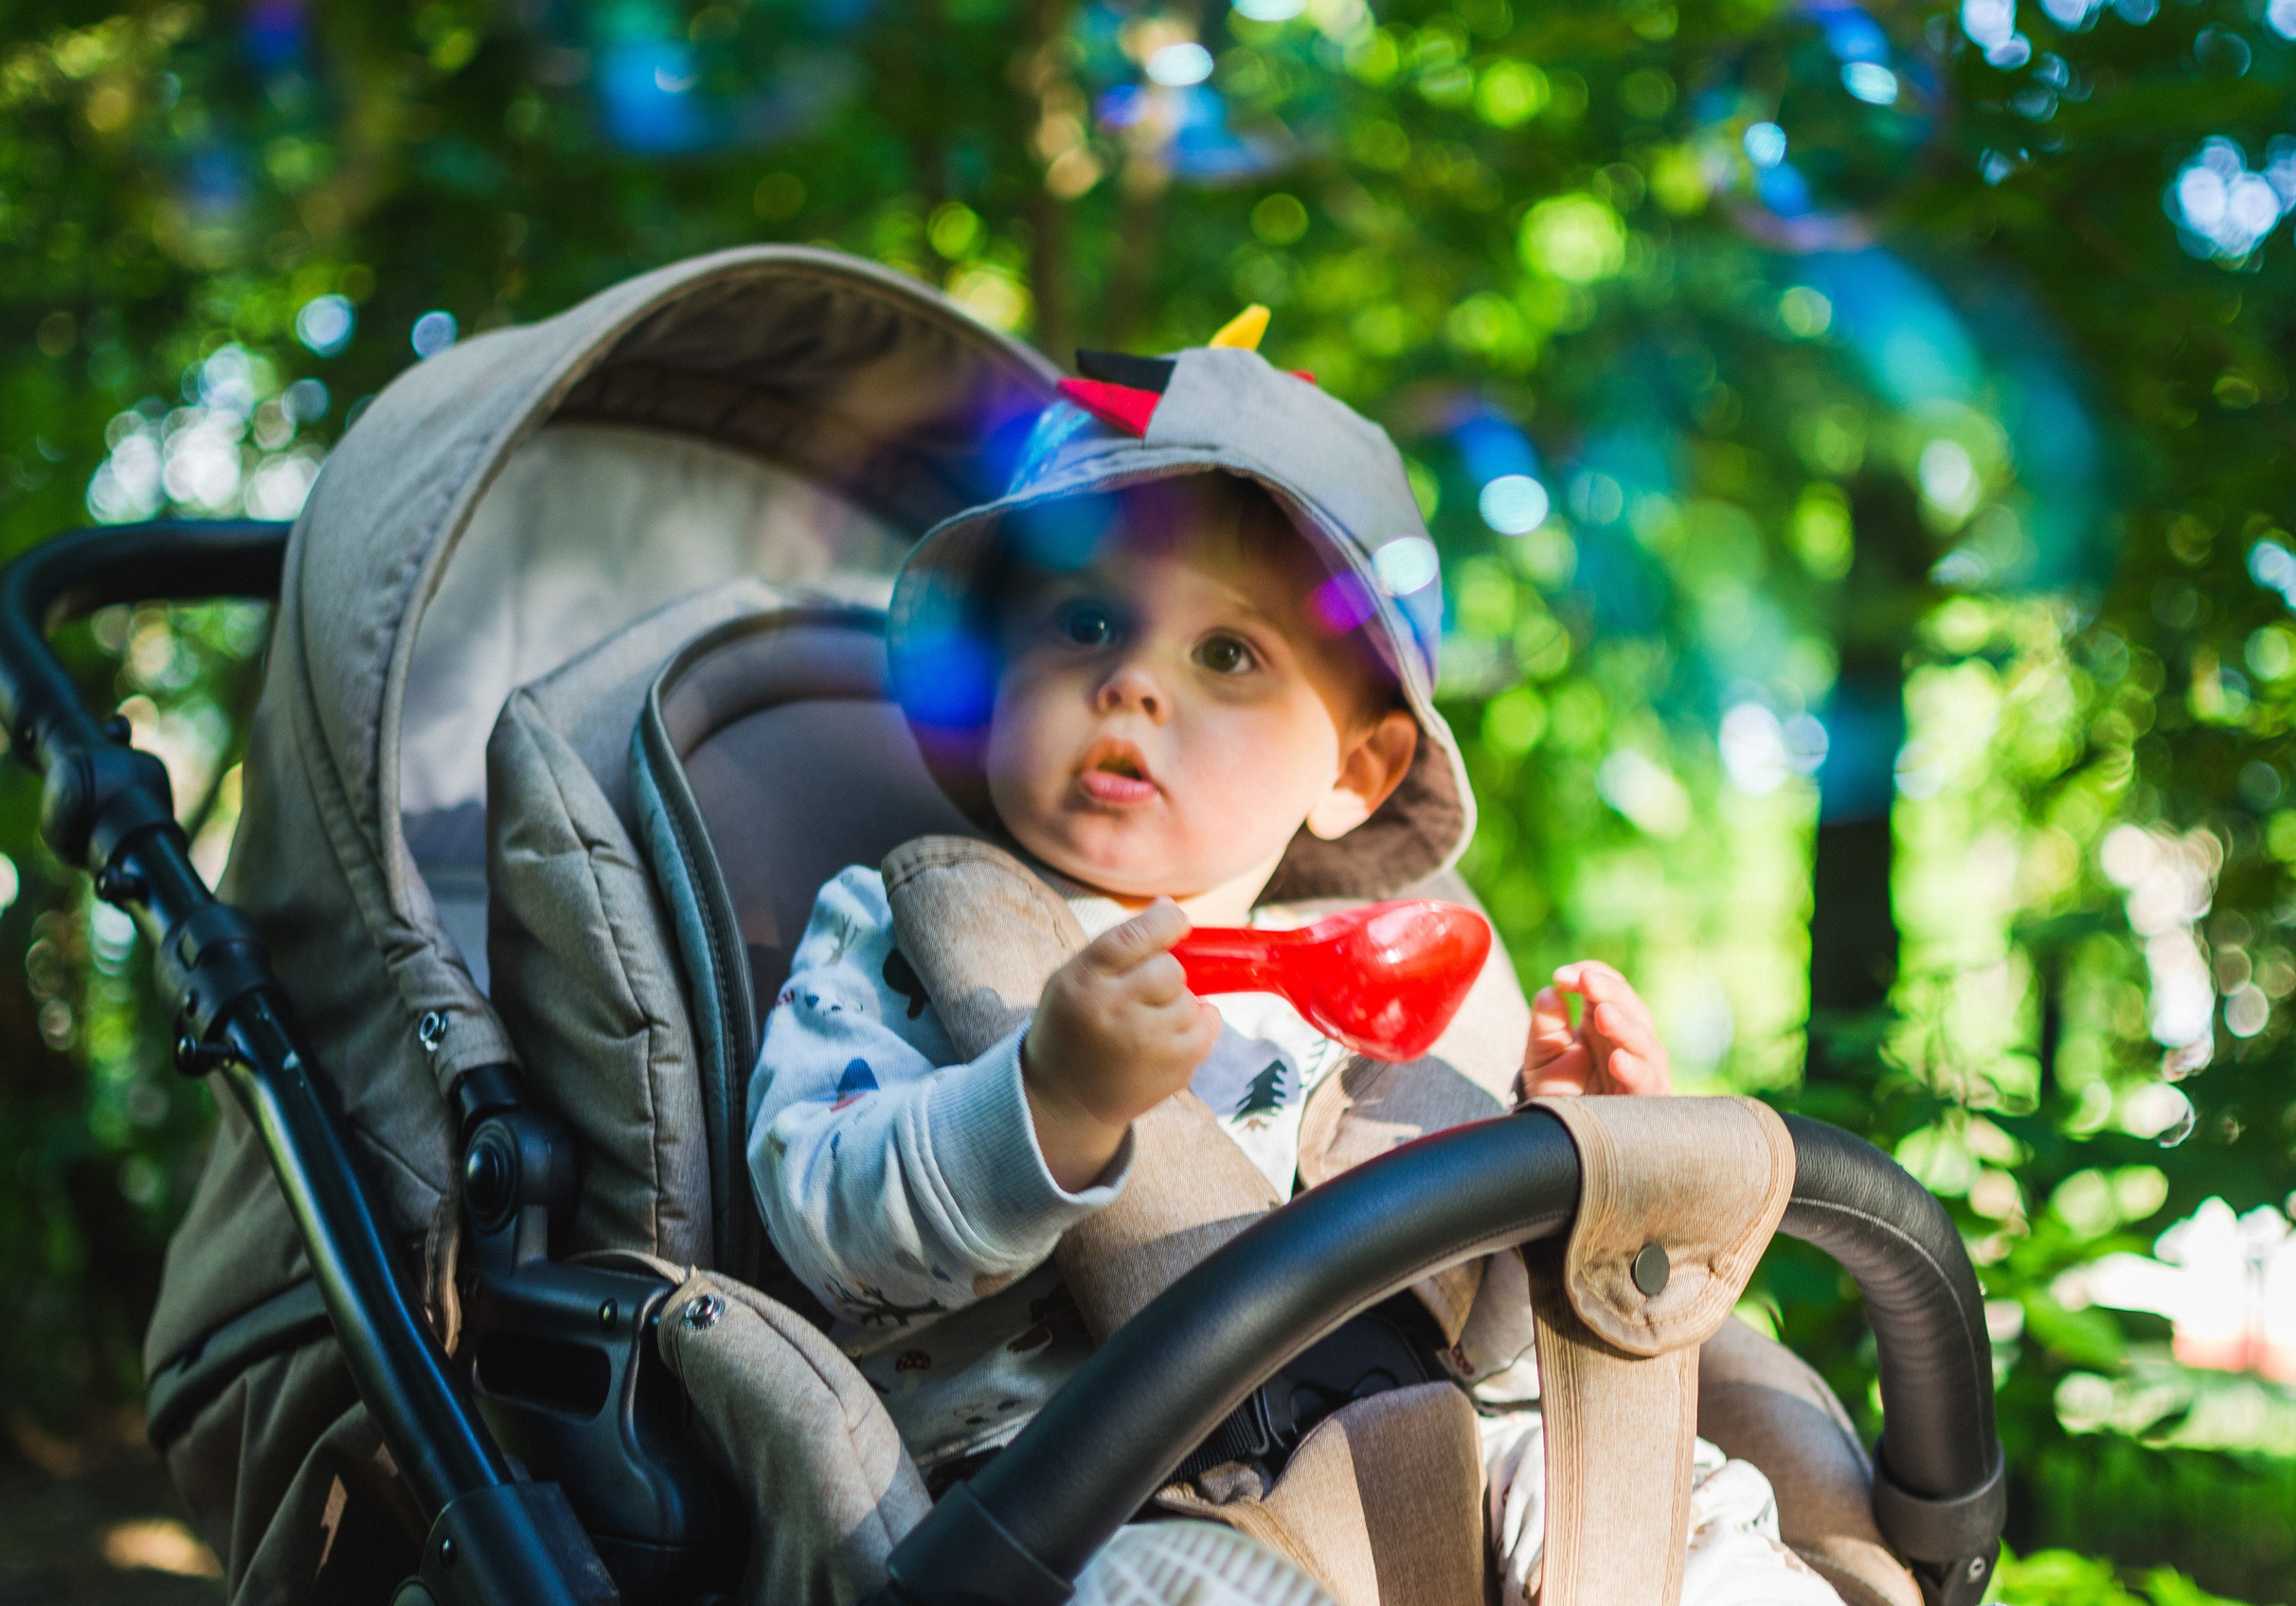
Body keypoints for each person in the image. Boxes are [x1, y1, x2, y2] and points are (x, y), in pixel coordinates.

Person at [747, 317, 1839, 1606]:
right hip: (1076, 1495)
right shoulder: (908, 932)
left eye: (1227, 653)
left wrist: (1567, 1171)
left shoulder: (1371, 1001)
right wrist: (1045, 1105)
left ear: (1359, 769)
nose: (1133, 687)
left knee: (1671, 1501)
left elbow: (1473, 1356)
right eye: (1084, 623)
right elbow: (818, 1229)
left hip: (1420, 1470)